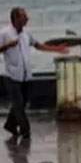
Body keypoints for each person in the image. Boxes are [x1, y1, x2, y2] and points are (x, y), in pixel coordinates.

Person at [0, 7, 68, 139]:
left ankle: (10, 124)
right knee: (18, 105)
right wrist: (8, 46)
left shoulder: (26, 33)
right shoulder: (5, 33)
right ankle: (26, 131)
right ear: (15, 18)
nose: (26, 19)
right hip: (11, 76)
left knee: (23, 102)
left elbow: (38, 45)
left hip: (25, 74)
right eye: (23, 17)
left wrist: (56, 49)